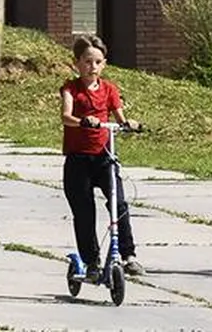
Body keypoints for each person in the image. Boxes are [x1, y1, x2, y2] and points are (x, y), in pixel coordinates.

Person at [60, 33, 143, 280]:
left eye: (97, 62)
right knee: (85, 212)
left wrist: (130, 124)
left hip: (104, 158)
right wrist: (84, 121)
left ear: (104, 64)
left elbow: (120, 118)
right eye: (87, 61)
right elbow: (66, 116)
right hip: (78, 160)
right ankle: (91, 261)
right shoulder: (70, 88)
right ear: (77, 63)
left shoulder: (109, 90)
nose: (92, 67)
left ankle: (128, 256)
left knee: (119, 205)